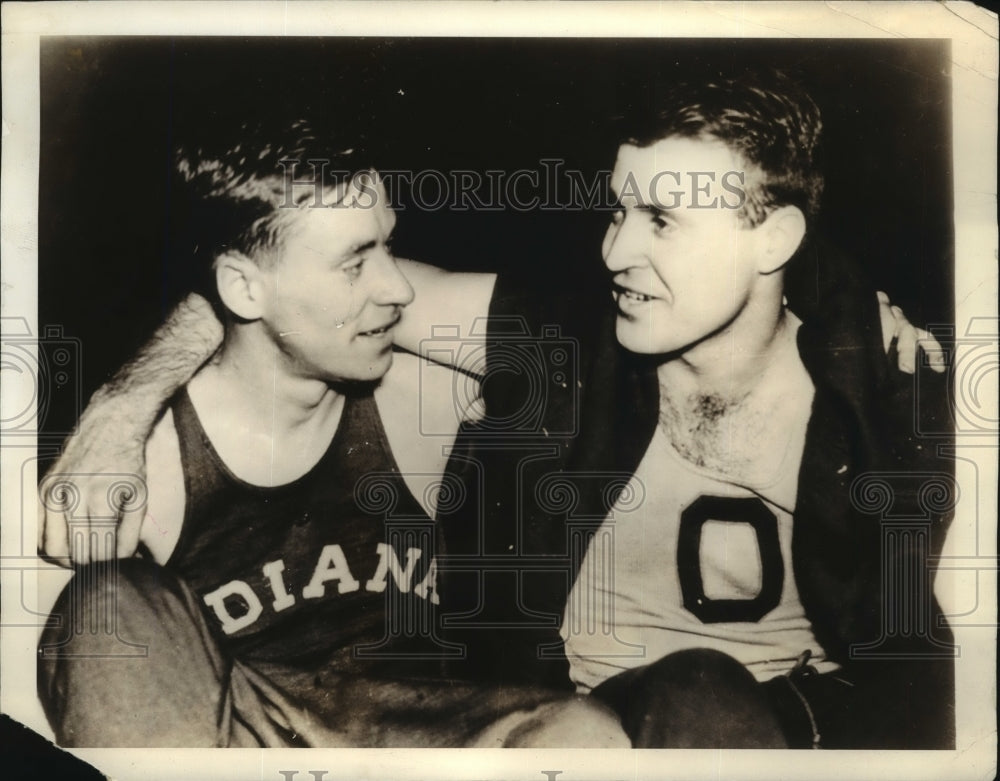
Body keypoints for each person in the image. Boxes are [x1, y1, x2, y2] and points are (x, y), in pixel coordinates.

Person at [39, 71, 948, 749]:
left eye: (661, 221)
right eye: (616, 210)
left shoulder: (888, 401)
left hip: (738, 737)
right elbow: (287, 290)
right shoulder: (562, 340)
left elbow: (934, 678)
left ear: (776, 238)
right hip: (545, 725)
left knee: (708, 694)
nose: (616, 249)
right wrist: (123, 401)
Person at [36, 118, 628, 748]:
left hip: (423, 733)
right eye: (354, 263)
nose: (399, 289)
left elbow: (587, 345)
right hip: (243, 737)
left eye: (388, 247)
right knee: (108, 606)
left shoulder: (424, 397)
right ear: (241, 288)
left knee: (582, 731)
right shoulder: (135, 463)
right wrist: (123, 409)